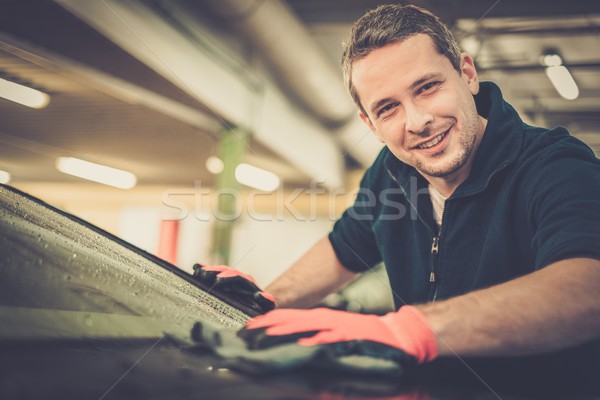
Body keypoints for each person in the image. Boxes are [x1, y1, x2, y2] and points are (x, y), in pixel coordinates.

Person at [195, 4, 600, 380]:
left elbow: (588, 286)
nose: (417, 121)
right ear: (370, 123)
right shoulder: (390, 173)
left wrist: (411, 330)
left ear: (468, 74)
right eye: (387, 108)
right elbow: (344, 248)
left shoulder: (556, 166)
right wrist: (266, 300)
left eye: (427, 87)